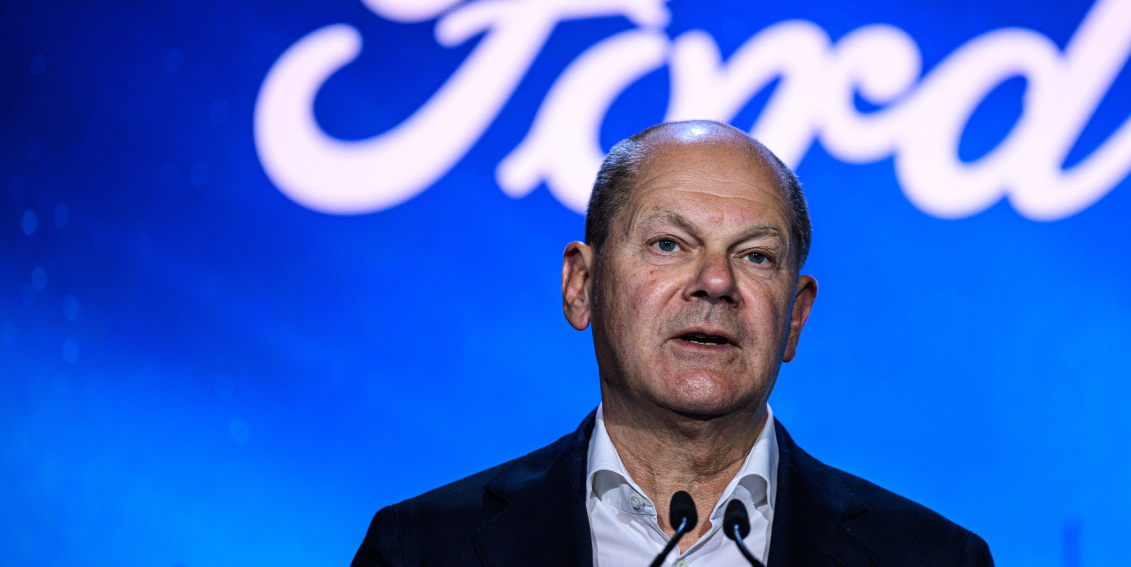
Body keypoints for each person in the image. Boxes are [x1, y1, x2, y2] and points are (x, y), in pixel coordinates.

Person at [352, 120, 994, 566]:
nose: (716, 282)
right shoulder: (422, 549)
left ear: (795, 319)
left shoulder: (936, 558)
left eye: (756, 256)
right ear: (581, 285)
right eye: (668, 245)